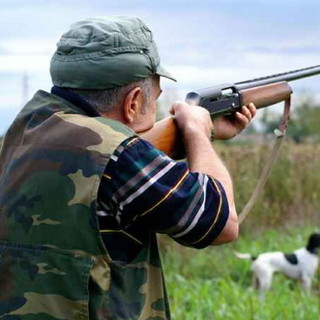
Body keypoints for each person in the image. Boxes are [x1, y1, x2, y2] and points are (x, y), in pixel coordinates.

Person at [0, 17, 256, 320]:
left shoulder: (22, 131)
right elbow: (220, 222)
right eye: (156, 99)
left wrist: (199, 134)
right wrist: (198, 132)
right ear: (133, 101)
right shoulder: (119, 155)